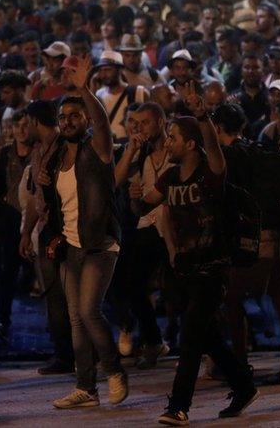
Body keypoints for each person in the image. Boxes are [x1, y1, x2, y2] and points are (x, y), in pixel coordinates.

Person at [141, 85, 258, 425]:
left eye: (173, 137)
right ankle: (243, 382)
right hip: (184, 268)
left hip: (213, 267)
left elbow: (213, 148)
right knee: (205, 335)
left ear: (190, 144)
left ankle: (178, 407)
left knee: (190, 336)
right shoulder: (171, 176)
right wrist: (133, 156)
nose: (167, 143)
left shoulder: (211, 173)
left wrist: (203, 116)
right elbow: (145, 200)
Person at [43, 56, 128, 410]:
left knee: (89, 311)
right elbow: (58, 204)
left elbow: (103, 123)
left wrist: (84, 90)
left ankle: (115, 371)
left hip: (99, 244)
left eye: (75, 116)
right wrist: (55, 234)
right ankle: (85, 388)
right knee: (75, 316)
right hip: (73, 246)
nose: (68, 122)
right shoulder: (58, 153)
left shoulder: (99, 148)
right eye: (63, 117)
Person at [115, 102, 174, 369]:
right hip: (148, 227)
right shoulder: (142, 154)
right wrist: (132, 150)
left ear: (160, 121)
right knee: (131, 285)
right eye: (135, 123)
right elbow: (119, 180)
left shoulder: (177, 147)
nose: (140, 128)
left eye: (145, 122)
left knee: (179, 293)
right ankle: (152, 340)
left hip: (177, 228)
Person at [19, 101, 75, 375]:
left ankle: (76, 356)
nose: (23, 128)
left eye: (26, 122)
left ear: (35, 121)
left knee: (69, 297)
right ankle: (65, 354)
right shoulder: (38, 151)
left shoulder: (65, 147)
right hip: (46, 227)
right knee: (54, 294)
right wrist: (27, 232)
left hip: (65, 228)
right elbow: (34, 198)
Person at [0, 109, 34, 342]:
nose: (22, 130)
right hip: (10, 216)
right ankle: (2, 317)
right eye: (18, 126)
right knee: (9, 269)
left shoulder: (40, 151)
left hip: (35, 216)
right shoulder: (6, 153)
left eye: (26, 125)